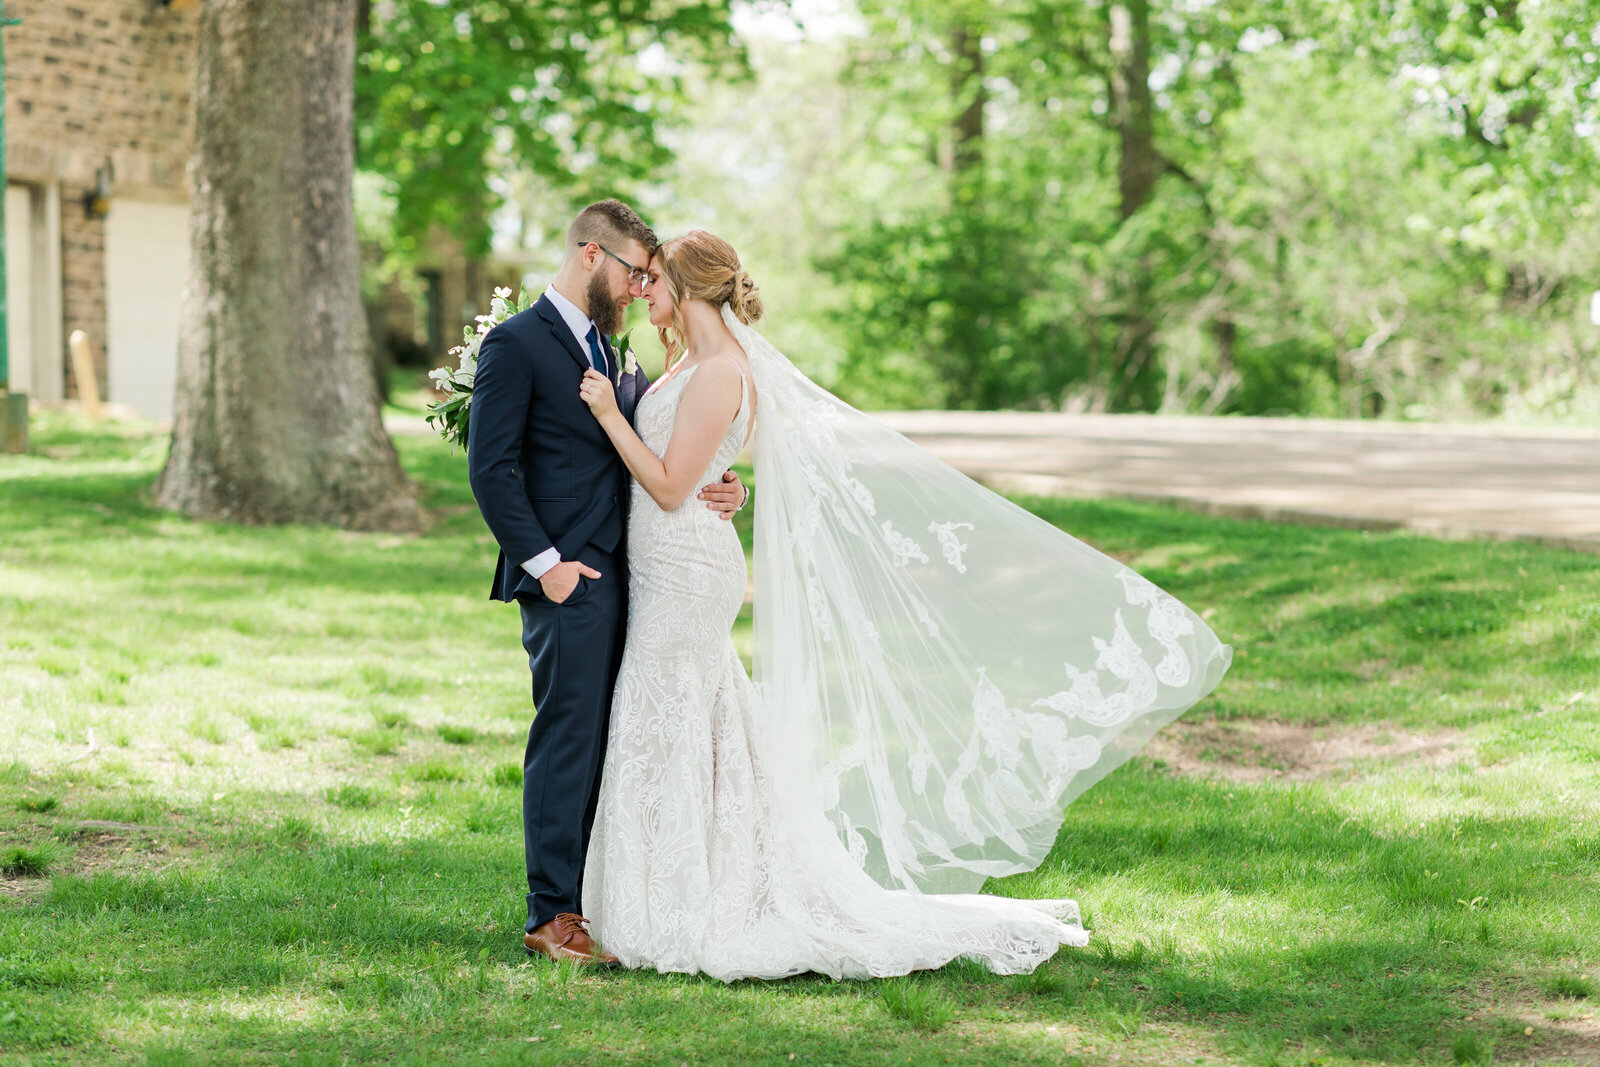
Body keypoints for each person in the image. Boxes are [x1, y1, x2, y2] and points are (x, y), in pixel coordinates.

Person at [578, 230, 1232, 981]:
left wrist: (608, 414)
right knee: (688, 720)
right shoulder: (684, 360)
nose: (641, 289)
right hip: (665, 563)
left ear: (689, 287)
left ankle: (683, 906)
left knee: (670, 712)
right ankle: (666, 893)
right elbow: (696, 469)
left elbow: (666, 485)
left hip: (689, 572)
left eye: (653, 278)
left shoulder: (724, 368)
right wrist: (725, 482)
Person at [466, 201, 748, 967]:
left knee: (615, 739)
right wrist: (545, 566)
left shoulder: (617, 353)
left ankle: (604, 896)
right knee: (568, 739)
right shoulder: (518, 343)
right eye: (632, 272)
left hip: (643, 578)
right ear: (592, 254)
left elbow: (662, 451)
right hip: (570, 579)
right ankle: (551, 913)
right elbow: (491, 470)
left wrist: (722, 483)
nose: (636, 290)